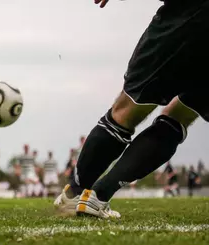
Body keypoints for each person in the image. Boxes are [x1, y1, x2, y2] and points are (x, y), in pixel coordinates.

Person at [56, 0, 209, 218]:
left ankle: (75, 193)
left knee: (126, 111)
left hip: (190, 14)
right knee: (179, 117)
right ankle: (98, 197)